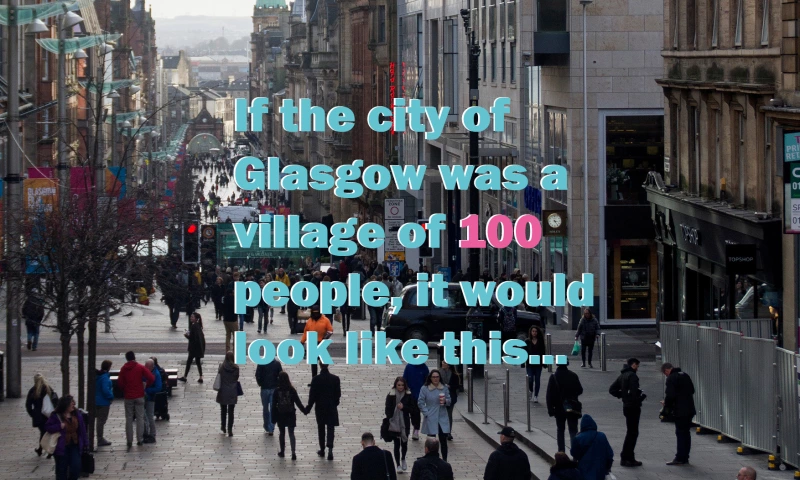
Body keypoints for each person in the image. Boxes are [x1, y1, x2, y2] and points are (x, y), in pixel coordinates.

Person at [116, 351, 155, 450]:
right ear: (134, 357)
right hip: (139, 396)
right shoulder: (140, 367)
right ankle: (139, 439)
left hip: (128, 396)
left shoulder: (124, 369)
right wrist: (145, 386)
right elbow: (151, 377)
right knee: (140, 418)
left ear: (126, 358)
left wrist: (125, 389)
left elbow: (120, 383)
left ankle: (129, 441)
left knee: (129, 418)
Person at [609, 358, 643, 467]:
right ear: (633, 365)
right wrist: (639, 398)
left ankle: (627, 456)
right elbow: (634, 393)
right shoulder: (632, 376)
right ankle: (627, 457)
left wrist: (622, 395)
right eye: (637, 366)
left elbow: (612, 389)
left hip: (626, 406)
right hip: (633, 407)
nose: (637, 368)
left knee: (630, 431)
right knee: (633, 433)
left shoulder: (622, 375)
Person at [661, 362, 696, 466]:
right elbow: (692, 390)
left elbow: (670, 395)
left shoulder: (671, 378)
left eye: (665, 374)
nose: (666, 375)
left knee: (680, 433)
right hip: (689, 409)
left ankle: (680, 457)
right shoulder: (685, 375)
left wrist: (666, 405)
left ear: (667, 370)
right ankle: (685, 457)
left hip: (680, 410)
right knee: (686, 433)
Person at [45, 395, 87, 480]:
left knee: (76, 467)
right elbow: (48, 427)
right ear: (65, 405)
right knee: (61, 469)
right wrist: (59, 426)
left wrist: (85, 443)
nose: (73, 404)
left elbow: (82, 429)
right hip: (61, 446)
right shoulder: (56, 415)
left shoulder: (77, 414)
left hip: (75, 445)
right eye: (71, 403)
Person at [306, 362, 341, 460]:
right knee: (331, 428)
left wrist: (308, 408)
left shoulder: (316, 379)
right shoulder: (335, 379)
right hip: (331, 407)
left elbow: (312, 396)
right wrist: (335, 403)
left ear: (320, 365)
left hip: (320, 407)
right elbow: (338, 395)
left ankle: (322, 449)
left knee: (321, 428)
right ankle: (330, 449)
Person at [546, 363, 583, 452]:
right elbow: (580, 390)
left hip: (559, 407)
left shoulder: (554, 377)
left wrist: (550, 409)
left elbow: (549, 395)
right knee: (573, 430)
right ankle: (575, 452)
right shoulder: (573, 375)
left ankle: (561, 451)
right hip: (572, 407)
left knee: (560, 430)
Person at [417, 369, 451, 462]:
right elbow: (420, 402)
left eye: (437, 377)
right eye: (434, 377)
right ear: (430, 378)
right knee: (431, 441)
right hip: (431, 416)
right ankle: (430, 459)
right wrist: (426, 413)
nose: (436, 379)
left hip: (442, 416)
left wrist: (445, 401)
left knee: (443, 439)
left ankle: (444, 460)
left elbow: (449, 400)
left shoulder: (444, 388)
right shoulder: (425, 388)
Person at [271, 371, 305, 460]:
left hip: (281, 414)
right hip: (290, 414)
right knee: (291, 433)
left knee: (282, 433)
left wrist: (273, 418)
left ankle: (282, 451)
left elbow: (273, 405)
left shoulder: (277, 391)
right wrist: (305, 410)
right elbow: (298, 402)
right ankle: (293, 453)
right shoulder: (292, 390)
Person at [570, 415, 614, 480]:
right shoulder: (602, 436)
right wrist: (607, 468)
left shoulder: (578, 438)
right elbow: (610, 454)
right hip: (600, 471)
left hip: (584, 471)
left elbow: (574, 453)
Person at [26, 373, 59, 456]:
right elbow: (55, 400)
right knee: (46, 432)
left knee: (43, 432)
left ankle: (43, 449)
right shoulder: (48, 388)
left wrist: (32, 414)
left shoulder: (33, 390)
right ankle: (44, 450)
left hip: (38, 416)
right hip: (48, 415)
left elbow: (28, 404)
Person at [385, 376, 412, 472]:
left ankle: (403, 458)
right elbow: (387, 409)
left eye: (402, 385)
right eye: (399, 385)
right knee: (396, 444)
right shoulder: (391, 395)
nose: (400, 387)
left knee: (404, 443)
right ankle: (398, 464)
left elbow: (412, 409)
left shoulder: (408, 395)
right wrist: (391, 417)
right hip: (394, 423)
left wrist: (403, 407)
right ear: (395, 385)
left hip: (405, 423)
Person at [301, 305, 334, 381]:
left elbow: (330, 330)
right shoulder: (309, 321)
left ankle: (325, 379)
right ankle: (314, 379)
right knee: (313, 363)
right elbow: (306, 332)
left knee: (324, 363)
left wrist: (325, 338)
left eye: (317, 313)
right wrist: (302, 341)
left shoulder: (325, 320)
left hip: (321, 342)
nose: (315, 314)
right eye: (314, 313)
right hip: (312, 343)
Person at [255, 356, 283, 435]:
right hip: (274, 388)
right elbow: (281, 375)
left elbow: (257, 375)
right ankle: (271, 428)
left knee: (265, 408)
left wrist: (260, 383)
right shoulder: (277, 364)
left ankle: (266, 425)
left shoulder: (261, 363)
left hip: (264, 388)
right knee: (272, 408)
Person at [216, 351, 240, 437]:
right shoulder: (236, 368)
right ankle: (230, 429)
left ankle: (223, 426)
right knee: (231, 411)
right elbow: (236, 378)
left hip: (223, 391)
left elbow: (219, 377)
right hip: (232, 391)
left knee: (223, 410)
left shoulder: (221, 367)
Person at [403, 362, 429, 440]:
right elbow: (405, 379)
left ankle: (416, 430)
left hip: (419, 395)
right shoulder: (409, 366)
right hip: (409, 394)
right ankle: (409, 429)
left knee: (416, 413)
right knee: (408, 413)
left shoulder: (424, 367)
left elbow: (427, 380)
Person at [179, 312, 206, 383]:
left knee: (189, 362)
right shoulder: (198, 326)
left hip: (194, 348)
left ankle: (185, 377)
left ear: (196, 319)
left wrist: (186, 335)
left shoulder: (194, 326)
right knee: (197, 362)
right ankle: (200, 377)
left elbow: (192, 338)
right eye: (191, 317)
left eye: (192, 317)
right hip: (198, 347)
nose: (191, 318)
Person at [524, 325, 546, 403]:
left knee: (537, 380)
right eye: (533, 331)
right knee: (530, 379)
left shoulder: (540, 341)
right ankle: (530, 391)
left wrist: (544, 363)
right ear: (530, 332)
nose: (534, 333)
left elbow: (543, 352)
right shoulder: (527, 341)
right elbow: (524, 353)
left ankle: (536, 396)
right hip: (529, 364)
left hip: (538, 364)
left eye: (536, 331)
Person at [94, 360, 114, 447]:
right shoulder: (105, 377)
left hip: (96, 400)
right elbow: (105, 390)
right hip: (103, 402)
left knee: (99, 420)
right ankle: (100, 438)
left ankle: (99, 437)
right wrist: (111, 396)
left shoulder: (98, 376)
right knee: (101, 421)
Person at [143, 359, 162, 444]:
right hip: (143, 397)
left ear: (151, 366)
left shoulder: (156, 374)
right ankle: (146, 433)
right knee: (144, 416)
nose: (145, 368)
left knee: (150, 416)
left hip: (150, 397)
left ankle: (152, 434)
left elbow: (158, 387)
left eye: (147, 367)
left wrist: (147, 390)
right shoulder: (146, 371)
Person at [439, 361, 460, 441]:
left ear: (448, 365)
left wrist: (450, 386)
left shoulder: (454, 375)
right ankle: (442, 431)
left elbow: (457, 386)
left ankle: (448, 432)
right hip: (440, 396)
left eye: (444, 363)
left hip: (450, 397)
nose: (442, 363)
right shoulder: (438, 373)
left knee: (449, 414)